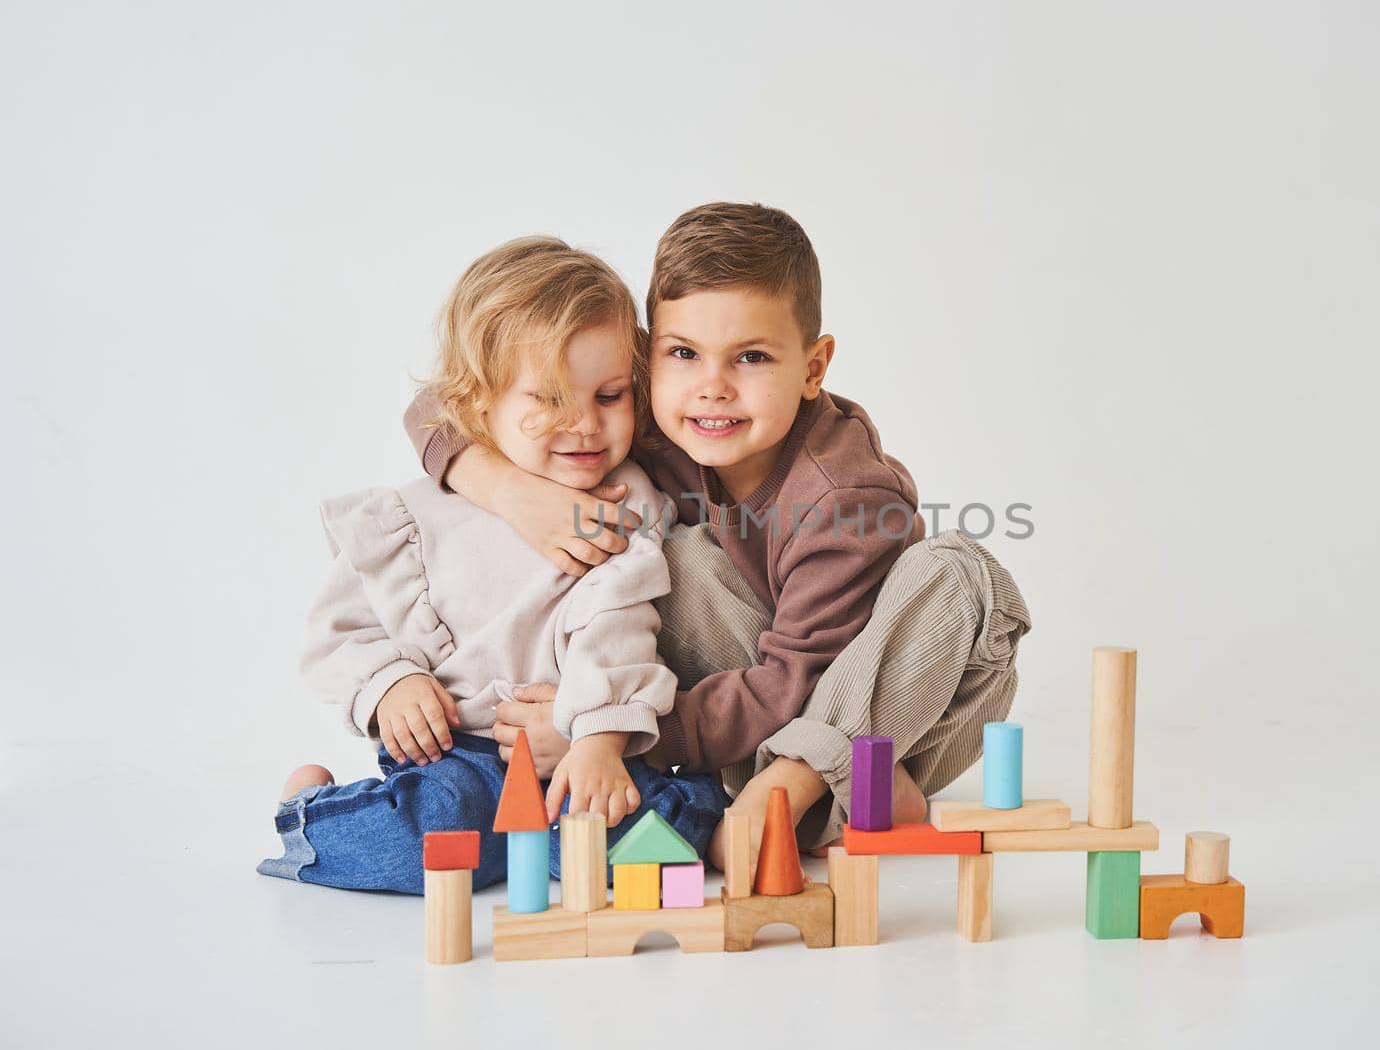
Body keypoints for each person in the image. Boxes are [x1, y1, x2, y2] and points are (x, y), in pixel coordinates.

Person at [406, 202, 1032, 869]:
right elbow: (436, 405)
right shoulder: (644, 414)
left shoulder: (844, 495)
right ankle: (824, 798)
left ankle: (798, 787)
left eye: (752, 357)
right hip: (747, 714)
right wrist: (515, 494)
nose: (712, 388)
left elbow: (797, 677)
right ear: (650, 358)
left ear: (814, 368)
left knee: (959, 570)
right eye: (683, 353)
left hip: (896, 716)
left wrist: (622, 732)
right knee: (659, 554)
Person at [258, 236, 725, 895]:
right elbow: (335, 635)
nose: (585, 425)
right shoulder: (415, 517)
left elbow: (620, 625)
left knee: (645, 847)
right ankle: (310, 810)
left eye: (610, 395)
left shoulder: (626, 503)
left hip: (578, 742)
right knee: (432, 832)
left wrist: (596, 739)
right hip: (461, 754)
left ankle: (712, 810)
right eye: (550, 399)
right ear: (480, 404)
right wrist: (389, 683)